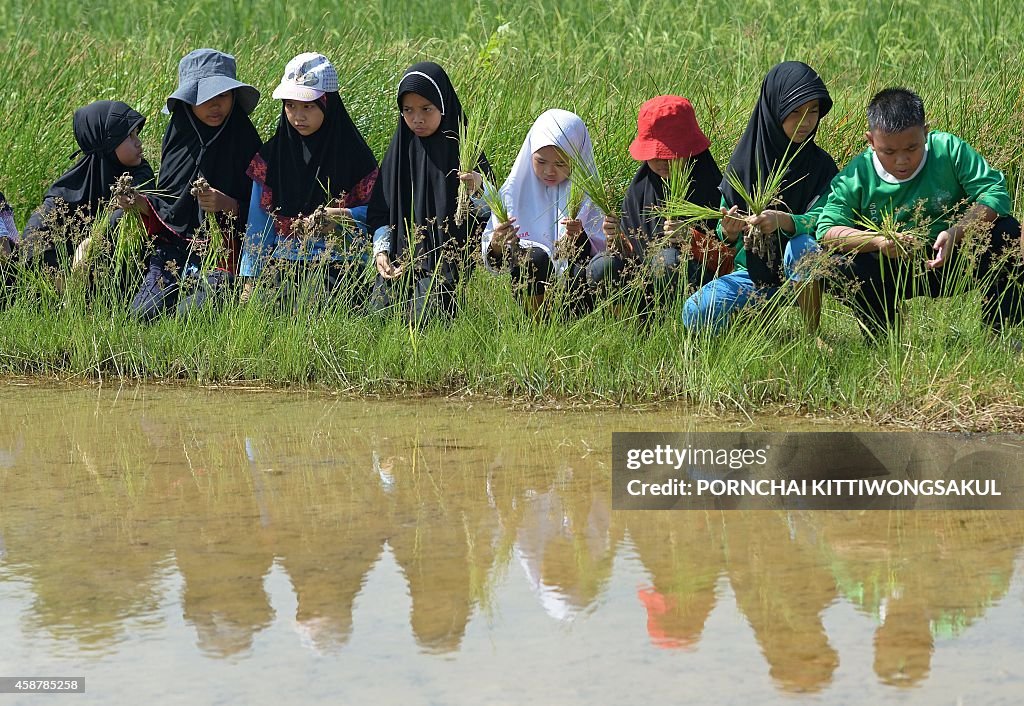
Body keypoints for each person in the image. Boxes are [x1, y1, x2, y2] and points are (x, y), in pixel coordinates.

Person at [818, 87, 1024, 339]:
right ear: (871, 141)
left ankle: (998, 332)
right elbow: (827, 229)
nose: (901, 161)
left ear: (926, 133)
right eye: (889, 152)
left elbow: (994, 194)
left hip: (953, 257)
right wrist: (877, 241)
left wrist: (957, 232)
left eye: (912, 148)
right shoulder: (857, 174)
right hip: (891, 267)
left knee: (1011, 233)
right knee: (832, 264)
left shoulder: (948, 150)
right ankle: (881, 333)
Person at [683, 61, 838, 334]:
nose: (806, 121)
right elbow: (723, 229)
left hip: (810, 273)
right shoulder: (743, 164)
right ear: (774, 110)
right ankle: (750, 330)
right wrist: (729, 232)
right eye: (795, 112)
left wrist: (787, 221)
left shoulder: (821, 167)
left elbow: (828, 219)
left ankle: (811, 334)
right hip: (751, 274)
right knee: (695, 311)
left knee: (802, 246)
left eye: (813, 111)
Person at [121, 48, 262, 320]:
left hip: (224, 254)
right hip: (173, 251)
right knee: (142, 314)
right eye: (206, 97)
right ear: (189, 100)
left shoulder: (245, 141)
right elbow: (170, 207)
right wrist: (139, 202)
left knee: (190, 316)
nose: (216, 105)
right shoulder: (178, 137)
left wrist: (228, 204)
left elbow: (263, 213)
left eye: (223, 95)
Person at [239, 52, 378, 310]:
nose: (298, 116)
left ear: (327, 103)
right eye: (290, 105)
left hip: (336, 261)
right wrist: (250, 278)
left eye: (308, 106)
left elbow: (377, 214)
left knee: (315, 304)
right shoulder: (271, 156)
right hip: (282, 261)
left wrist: (342, 216)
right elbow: (258, 225)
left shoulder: (354, 156)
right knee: (266, 307)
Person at [367, 61, 492, 326]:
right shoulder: (398, 153)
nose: (417, 119)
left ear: (443, 106)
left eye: (426, 109)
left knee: (426, 321)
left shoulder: (462, 150)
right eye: (408, 111)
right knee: (377, 320)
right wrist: (382, 253)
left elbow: (493, 212)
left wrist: (478, 187)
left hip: (448, 266)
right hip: (401, 263)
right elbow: (380, 211)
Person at [596, 95, 727, 314]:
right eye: (653, 155)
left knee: (668, 261)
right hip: (646, 291)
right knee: (603, 265)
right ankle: (631, 328)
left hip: (702, 293)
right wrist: (615, 239)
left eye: (669, 154)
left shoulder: (713, 190)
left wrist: (691, 238)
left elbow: (731, 261)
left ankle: (681, 326)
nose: (660, 161)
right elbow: (633, 254)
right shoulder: (639, 191)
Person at [482, 108, 604, 315]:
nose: (549, 171)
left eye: (560, 163)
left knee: (582, 268)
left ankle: (576, 319)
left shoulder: (589, 196)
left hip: (576, 293)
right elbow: (496, 261)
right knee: (532, 257)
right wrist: (497, 243)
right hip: (533, 287)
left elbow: (603, 252)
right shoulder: (513, 192)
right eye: (540, 161)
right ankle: (538, 323)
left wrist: (579, 237)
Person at [20, 100, 154, 271]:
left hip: (118, 277)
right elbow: (33, 234)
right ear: (108, 142)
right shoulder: (72, 185)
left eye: (137, 133)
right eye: (130, 136)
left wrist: (90, 244)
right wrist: (67, 282)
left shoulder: (140, 172)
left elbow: (141, 203)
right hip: (67, 282)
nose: (139, 142)